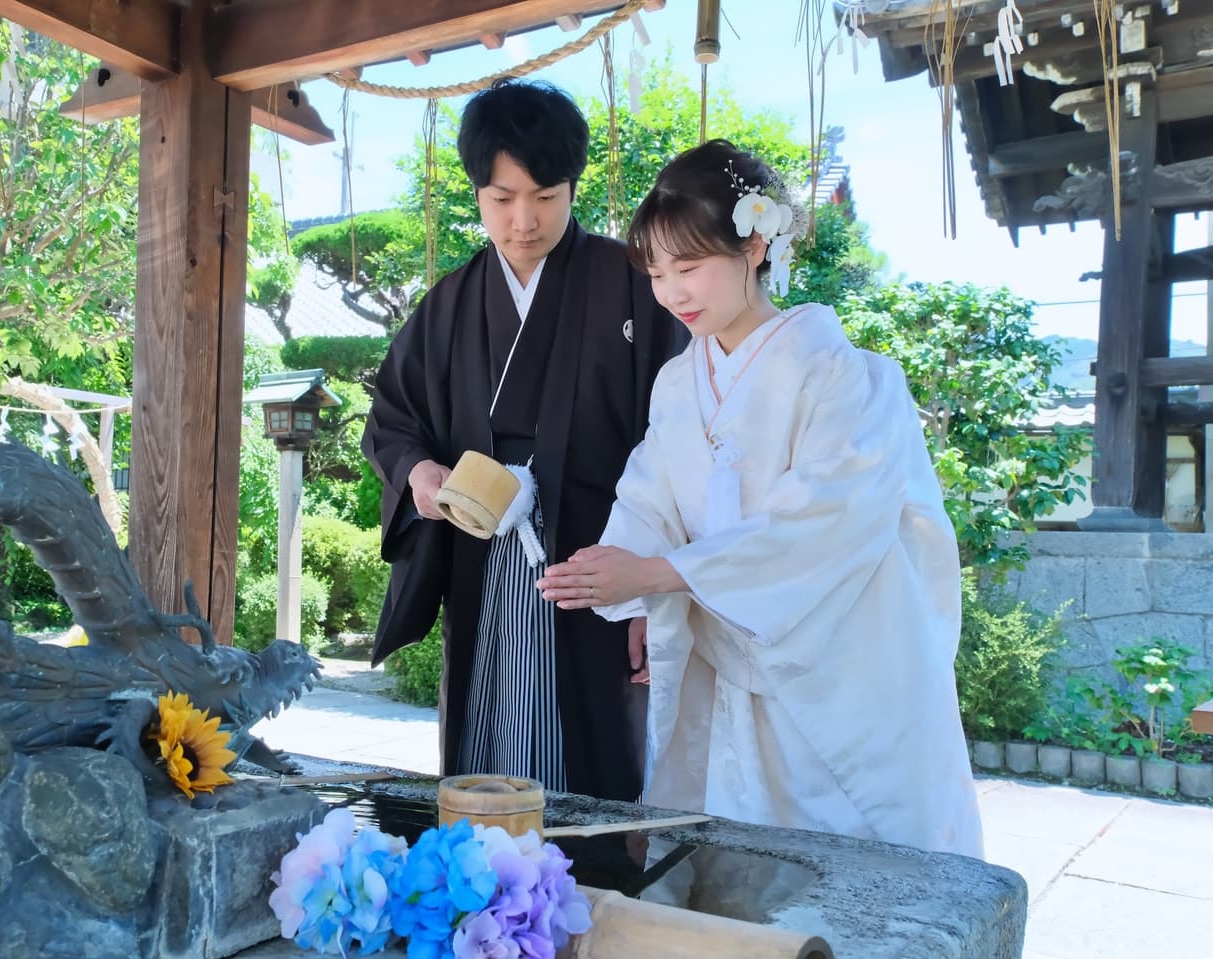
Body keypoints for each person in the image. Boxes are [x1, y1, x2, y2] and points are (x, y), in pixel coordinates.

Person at [536, 139, 984, 857]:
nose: (672, 292)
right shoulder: (678, 384)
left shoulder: (850, 378)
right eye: (656, 273)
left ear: (755, 244)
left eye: (690, 267)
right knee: (731, 864)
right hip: (722, 670)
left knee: (850, 869)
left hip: (837, 669)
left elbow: (828, 520)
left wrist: (664, 575)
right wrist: (629, 572)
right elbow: (652, 496)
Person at [361, 80, 688, 800]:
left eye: (544, 194)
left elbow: (679, 444)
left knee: (598, 754)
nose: (523, 220)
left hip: (600, 565)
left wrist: (645, 596)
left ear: (573, 186)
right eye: (502, 198)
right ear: (476, 192)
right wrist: (418, 473)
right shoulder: (450, 302)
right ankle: (485, 888)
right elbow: (394, 416)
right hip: (484, 555)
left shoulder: (631, 285)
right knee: (485, 737)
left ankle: (595, 895)